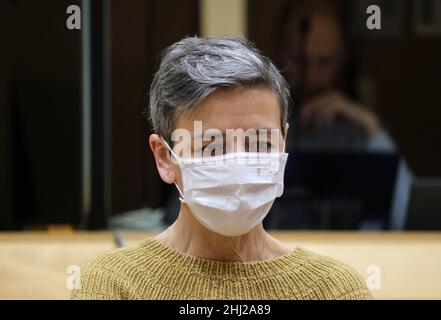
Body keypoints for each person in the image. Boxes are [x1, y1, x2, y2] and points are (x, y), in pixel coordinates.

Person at [71, 37, 372, 300]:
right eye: (211, 146)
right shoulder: (112, 286)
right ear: (165, 158)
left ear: (283, 144)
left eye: (260, 143)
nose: (238, 163)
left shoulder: (334, 290)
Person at [278, 0, 395, 152]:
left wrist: (370, 124)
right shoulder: (259, 117)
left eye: (324, 62)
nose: (312, 76)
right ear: (279, 52)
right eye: (300, 60)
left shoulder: (355, 127)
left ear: (342, 57)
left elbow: (400, 176)